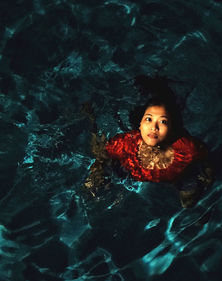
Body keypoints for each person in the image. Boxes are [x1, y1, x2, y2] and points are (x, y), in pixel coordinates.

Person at [83, 76, 213, 208]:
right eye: (148, 119)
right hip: (130, 170)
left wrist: (208, 171)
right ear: (140, 126)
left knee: (188, 202)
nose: (153, 127)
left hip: (177, 176)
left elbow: (204, 153)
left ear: (171, 129)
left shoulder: (186, 148)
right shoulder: (126, 144)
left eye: (163, 122)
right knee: (92, 186)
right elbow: (101, 152)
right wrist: (98, 170)